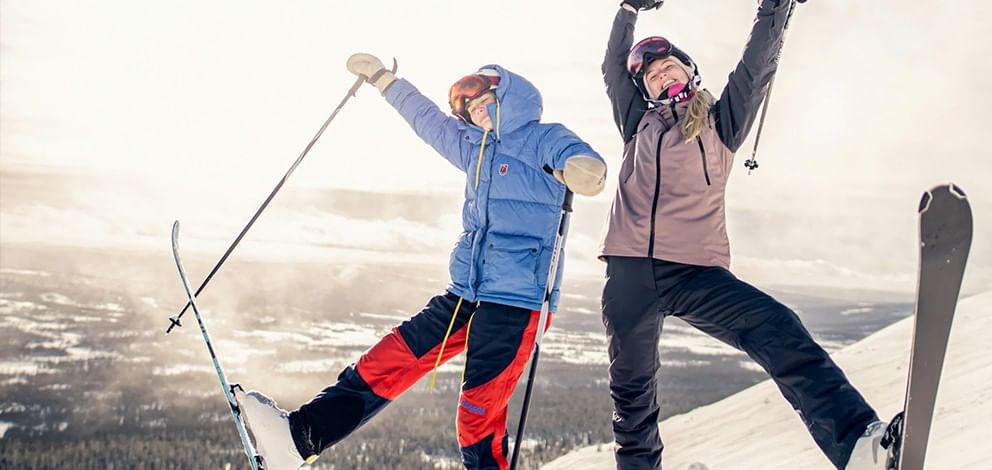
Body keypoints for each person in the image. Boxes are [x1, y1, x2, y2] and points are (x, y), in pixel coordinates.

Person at [237, 53, 606, 470]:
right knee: (387, 359)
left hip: (518, 303)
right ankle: (299, 438)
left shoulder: (543, 138)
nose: (478, 114)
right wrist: (382, 80)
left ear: (508, 97)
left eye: (485, 103)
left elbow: (586, 165)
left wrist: (580, 170)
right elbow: (427, 121)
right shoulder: (474, 150)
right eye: (471, 111)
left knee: (477, 414)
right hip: (467, 291)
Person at [598, 1, 886, 469]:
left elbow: (757, 63)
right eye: (650, 76)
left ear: (690, 71)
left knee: (779, 327)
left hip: (695, 274)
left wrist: (773, 8)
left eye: (668, 65)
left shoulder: (721, 122)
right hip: (628, 275)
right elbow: (614, 68)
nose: (660, 75)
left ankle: (858, 444)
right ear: (644, 93)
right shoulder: (637, 124)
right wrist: (628, 9)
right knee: (633, 404)